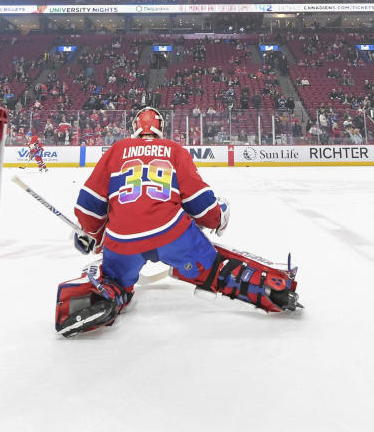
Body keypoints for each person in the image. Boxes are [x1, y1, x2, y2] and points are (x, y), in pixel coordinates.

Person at [54, 106, 300, 337]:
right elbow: (199, 203)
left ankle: (106, 295)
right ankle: (271, 289)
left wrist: (91, 234)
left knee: (113, 276)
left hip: (123, 240)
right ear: (161, 127)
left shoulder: (117, 150)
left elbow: (88, 206)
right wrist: (218, 216)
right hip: (171, 233)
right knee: (213, 269)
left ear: (135, 128)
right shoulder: (173, 149)